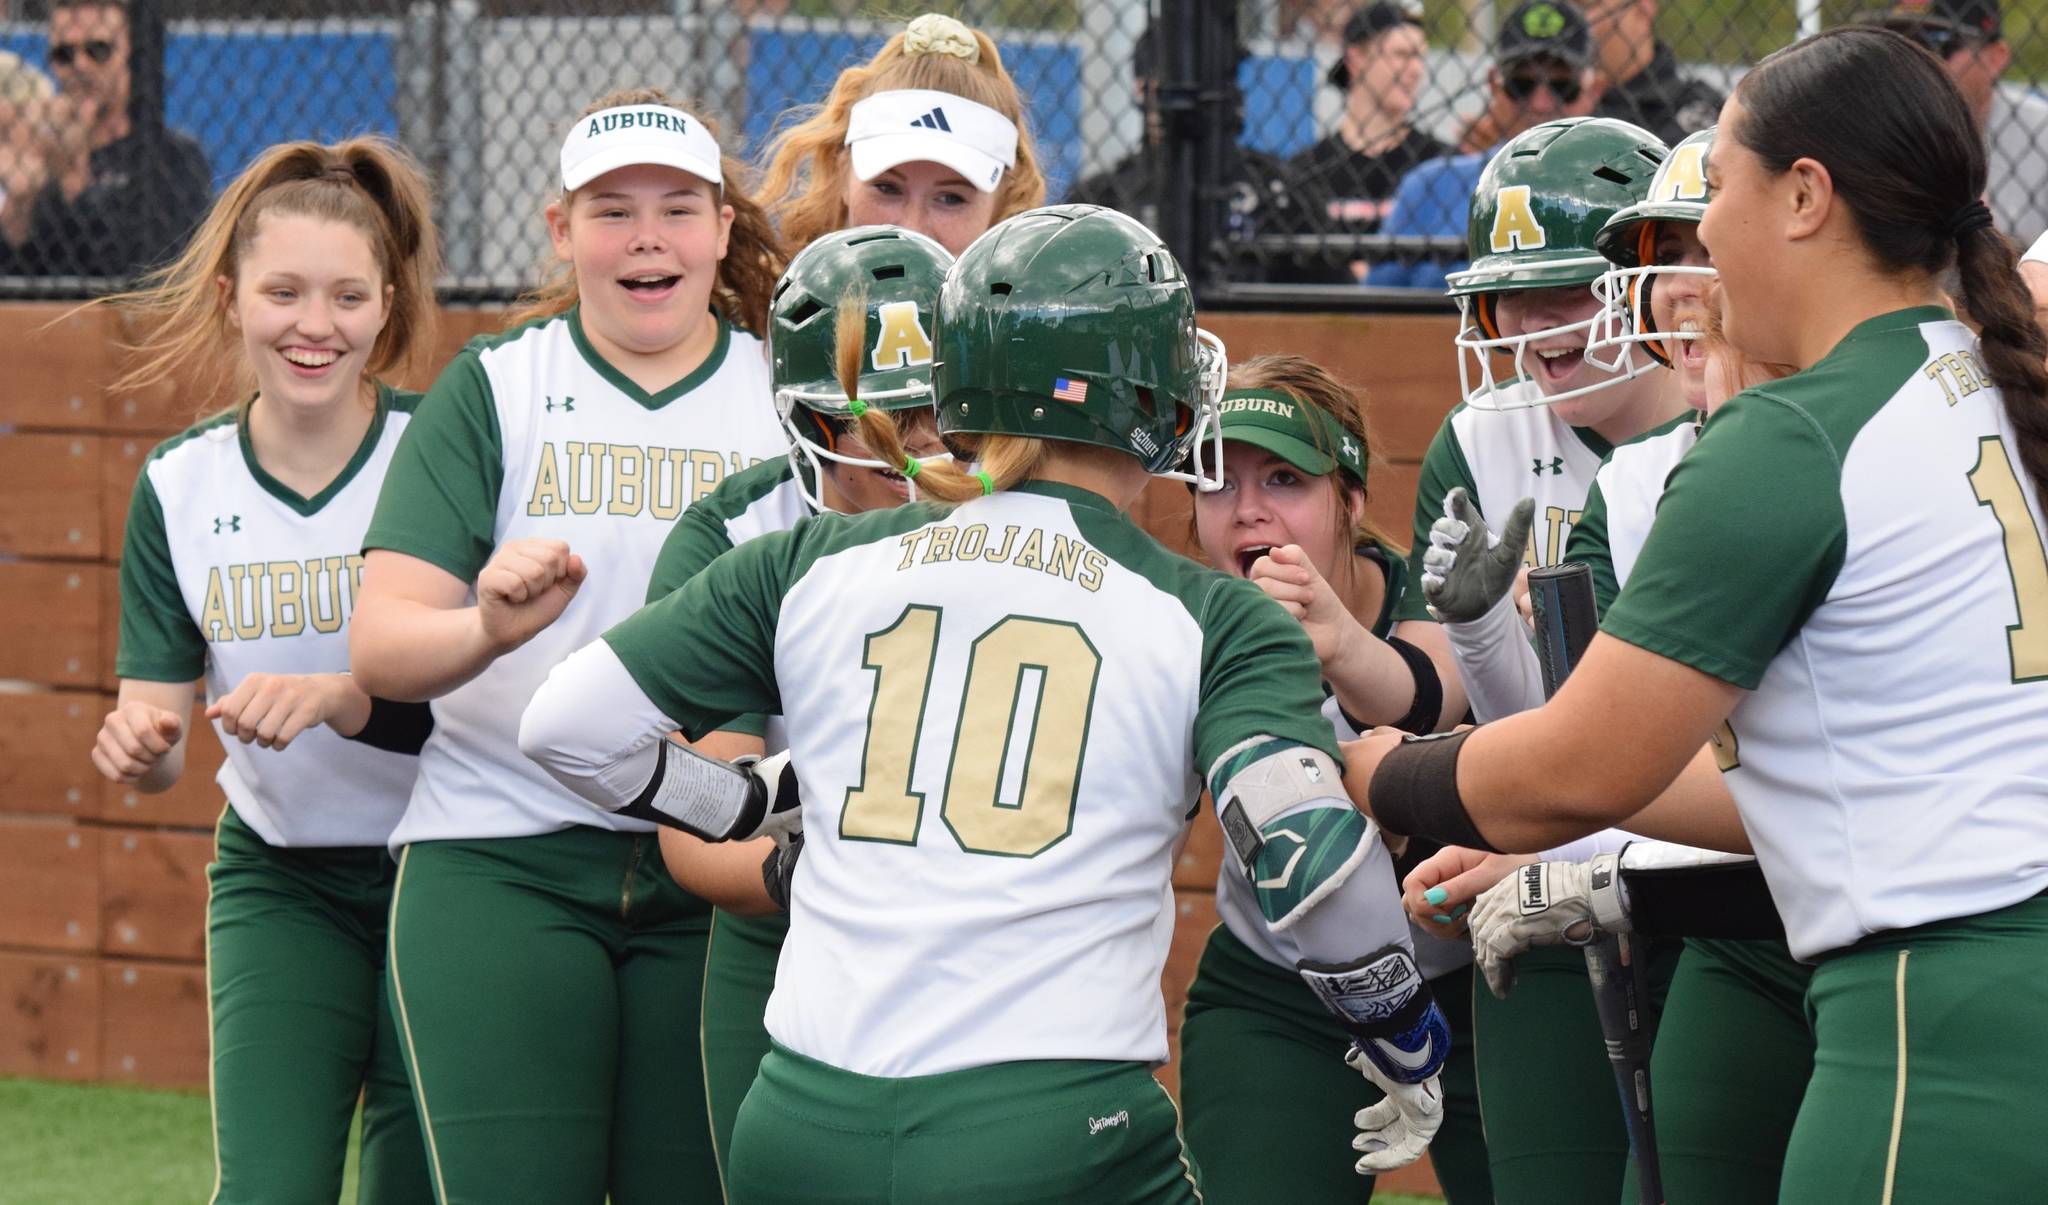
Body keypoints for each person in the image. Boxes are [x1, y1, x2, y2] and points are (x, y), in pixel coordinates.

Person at [519, 205, 1451, 1202]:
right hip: (1049, 1127)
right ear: (1149, 390)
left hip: (796, 1117)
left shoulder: (804, 560)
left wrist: (751, 804)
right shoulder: (1213, 615)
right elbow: (1306, 863)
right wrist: (1397, 1028)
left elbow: (564, 726)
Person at [1354, 26, 2048, 1201]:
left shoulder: (1796, 432)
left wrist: (1381, 771)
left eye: (1716, 185)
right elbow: (1815, 772)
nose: (1704, 233)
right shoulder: (1976, 375)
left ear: (1803, 196)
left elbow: (1583, 760)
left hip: (1933, 1011)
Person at [347, 89, 787, 1204]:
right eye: (612, 209)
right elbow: (384, 647)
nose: (647, 236)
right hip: (501, 847)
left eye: (677, 208)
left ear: (723, 229)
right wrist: (486, 626)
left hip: (715, 864)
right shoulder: (497, 387)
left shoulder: (787, 398)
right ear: (559, 231)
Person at [89, 137, 439, 1205]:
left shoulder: (439, 455)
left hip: (448, 874)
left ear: (386, 303)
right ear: (233, 296)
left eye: (344, 294)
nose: (313, 324)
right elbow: (156, 741)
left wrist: (345, 700)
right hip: (279, 877)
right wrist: (137, 746)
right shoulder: (179, 484)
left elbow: (485, 705)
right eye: (283, 291)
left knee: (418, 1186)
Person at [1397, 113, 1692, 1205]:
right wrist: (1475, 632)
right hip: (1559, 845)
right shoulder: (1482, 435)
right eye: (1506, 292)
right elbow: (1534, 728)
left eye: (1565, 287)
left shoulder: (1729, 430)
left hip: (1726, 878)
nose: (1526, 322)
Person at [650, 224, 955, 1184]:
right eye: (880, 427)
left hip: (980, 932)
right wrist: (824, 862)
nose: (919, 461)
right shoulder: (740, 537)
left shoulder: (1028, 518)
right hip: (783, 929)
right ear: (809, 425)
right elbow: (696, 818)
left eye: (939, 422)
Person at [1177, 355, 1495, 1204]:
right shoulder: (1181, 622)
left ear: (1351, 499)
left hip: (1484, 987)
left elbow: (1431, 698)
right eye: (1219, 480)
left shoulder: (1425, 594)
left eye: (1284, 477)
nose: (1248, 508)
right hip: (1281, 993)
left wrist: (1336, 639)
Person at [757, 12, 1044, 258]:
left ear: (1002, 205)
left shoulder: (1038, 320)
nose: (912, 229)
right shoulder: (770, 314)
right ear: (842, 174)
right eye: (888, 188)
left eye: (951, 199)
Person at [1367, 0, 1597, 289]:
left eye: (1561, 85)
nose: (1540, 102)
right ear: (1494, 84)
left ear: (1592, 88)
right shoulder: (1428, 187)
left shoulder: (1619, 190)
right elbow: (1375, 311)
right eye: (1521, 83)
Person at [0, 0, 210, 277]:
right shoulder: (37, 156)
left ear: (132, 55)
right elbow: (19, 282)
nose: (80, 65)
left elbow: (154, 273)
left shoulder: (172, 156)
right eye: (64, 54)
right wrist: (19, 205)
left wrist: (75, 178)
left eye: (98, 50)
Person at [1853, 0, 2048, 248]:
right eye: (1900, 45)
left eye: (1935, 44)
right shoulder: (1871, 128)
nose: (1914, 64)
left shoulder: (2042, 133)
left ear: (1995, 58)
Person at [1282, 3, 1449, 283]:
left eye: (1420, 57)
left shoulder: (1439, 163)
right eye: (1401, 55)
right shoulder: (1307, 169)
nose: (1416, 69)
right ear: (1356, 59)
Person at [1582, 0, 1722, 144]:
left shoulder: (1696, 110)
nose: (1574, 21)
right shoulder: (1567, 101)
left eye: (1586, 7)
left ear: (1643, 7)